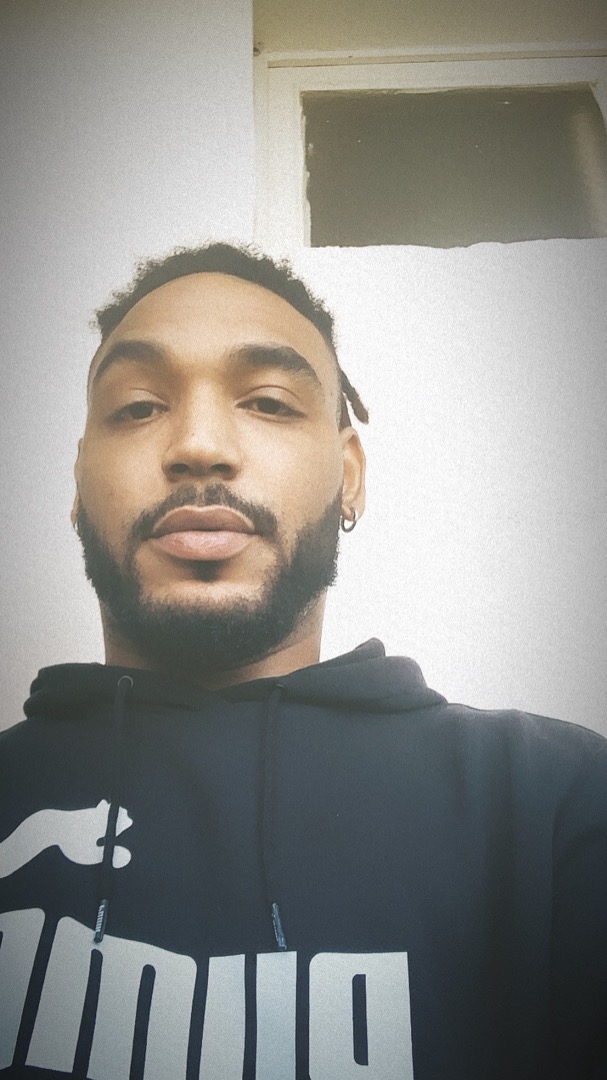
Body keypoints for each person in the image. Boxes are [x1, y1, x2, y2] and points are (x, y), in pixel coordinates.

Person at [0, 242, 605, 1080]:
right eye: (138, 407)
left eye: (268, 402)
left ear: (348, 476)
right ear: (77, 487)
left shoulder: (555, 805)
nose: (199, 444)